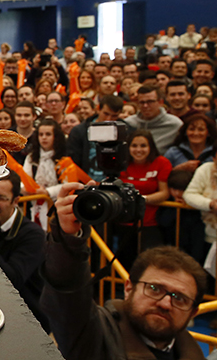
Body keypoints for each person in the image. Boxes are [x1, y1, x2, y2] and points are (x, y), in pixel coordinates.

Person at [45, 181, 207, 360]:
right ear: (129, 288)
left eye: (180, 298)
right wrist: (68, 237)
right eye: (154, 289)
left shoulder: (191, 351)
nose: (165, 303)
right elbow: (67, 298)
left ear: (193, 312)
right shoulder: (94, 335)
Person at [0, 171, 48, 332]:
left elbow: (12, 280)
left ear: (16, 201)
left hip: (28, 317)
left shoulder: (33, 234)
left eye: (0, 198)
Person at [118, 130, 171, 264]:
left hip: (150, 223)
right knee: (125, 262)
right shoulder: (121, 163)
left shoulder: (161, 162)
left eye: (143, 146)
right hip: (124, 223)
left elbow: (164, 193)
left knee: (149, 263)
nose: (138, 150)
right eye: (134, 146)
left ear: (150, 147)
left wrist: (141, 199)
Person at [23, 119, 66, 229]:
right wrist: (27, 189)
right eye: (41, 134)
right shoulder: (32, 157)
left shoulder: (64, 158)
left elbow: (68, 184)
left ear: (56, 137)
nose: (44, 137)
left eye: (48, 134)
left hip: (57, 205)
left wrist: (47, 192)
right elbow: (23, 178)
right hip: (33, 203)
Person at [124, 86, 183, 155]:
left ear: (160, 102)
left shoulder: (174, 124)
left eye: (150, 102)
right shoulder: (128, 123)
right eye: (142, 102)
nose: (145, 106)